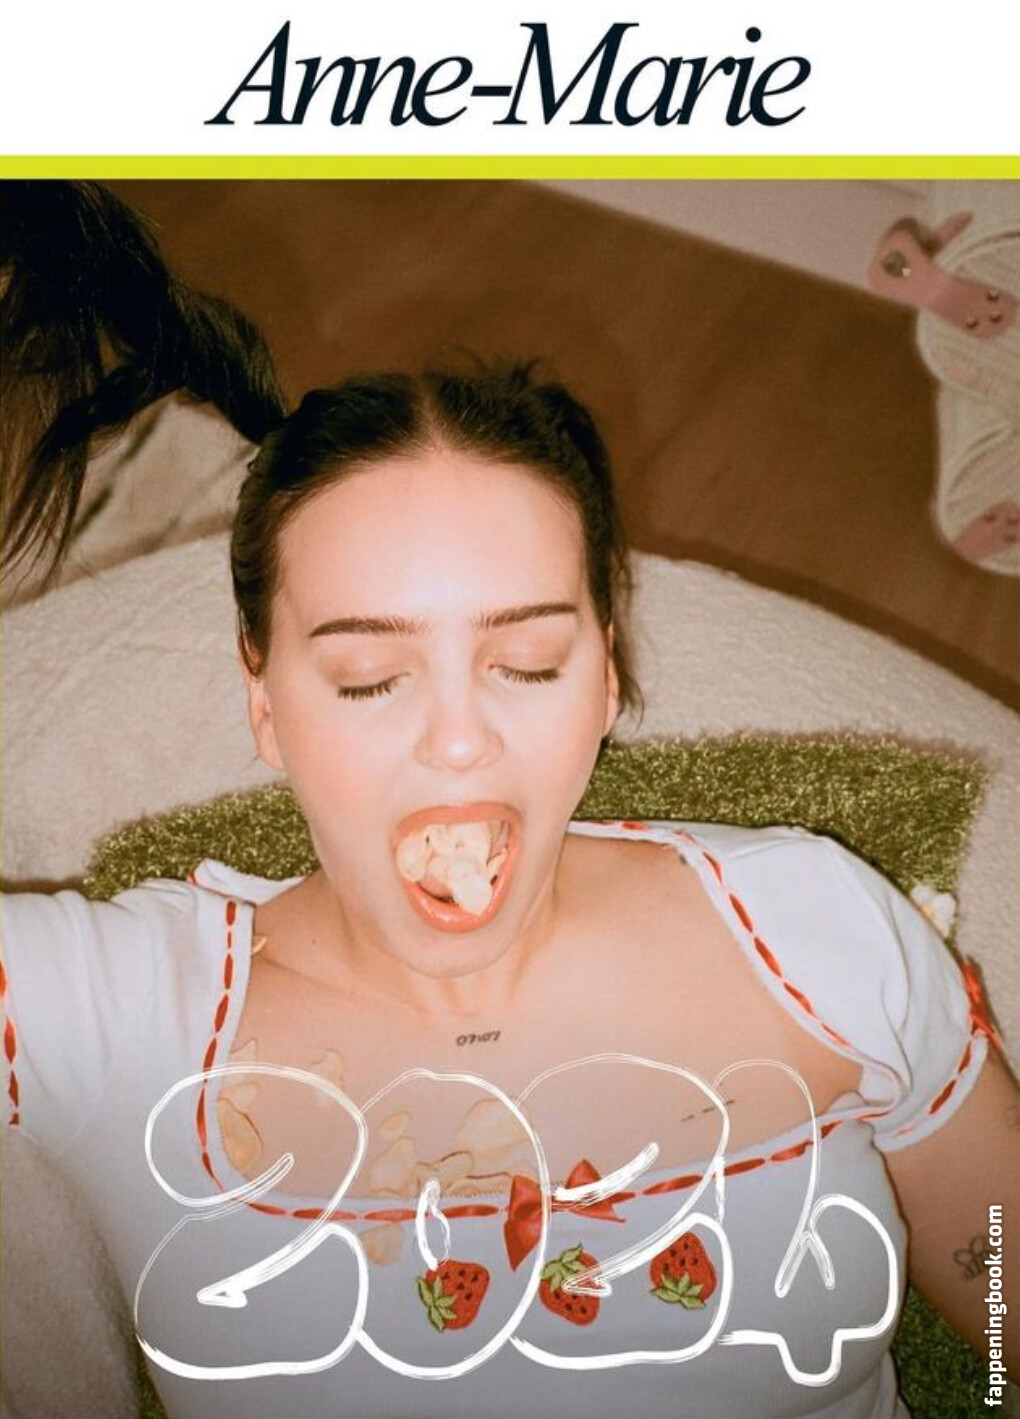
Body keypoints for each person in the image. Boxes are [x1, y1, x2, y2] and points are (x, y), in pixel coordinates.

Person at [2, 355, 1018, 1418]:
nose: (459, 740)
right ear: (265, 706)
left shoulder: (814, 929)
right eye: (369, 679)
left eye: (527, 661)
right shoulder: (125, 1009)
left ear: (606, 676)